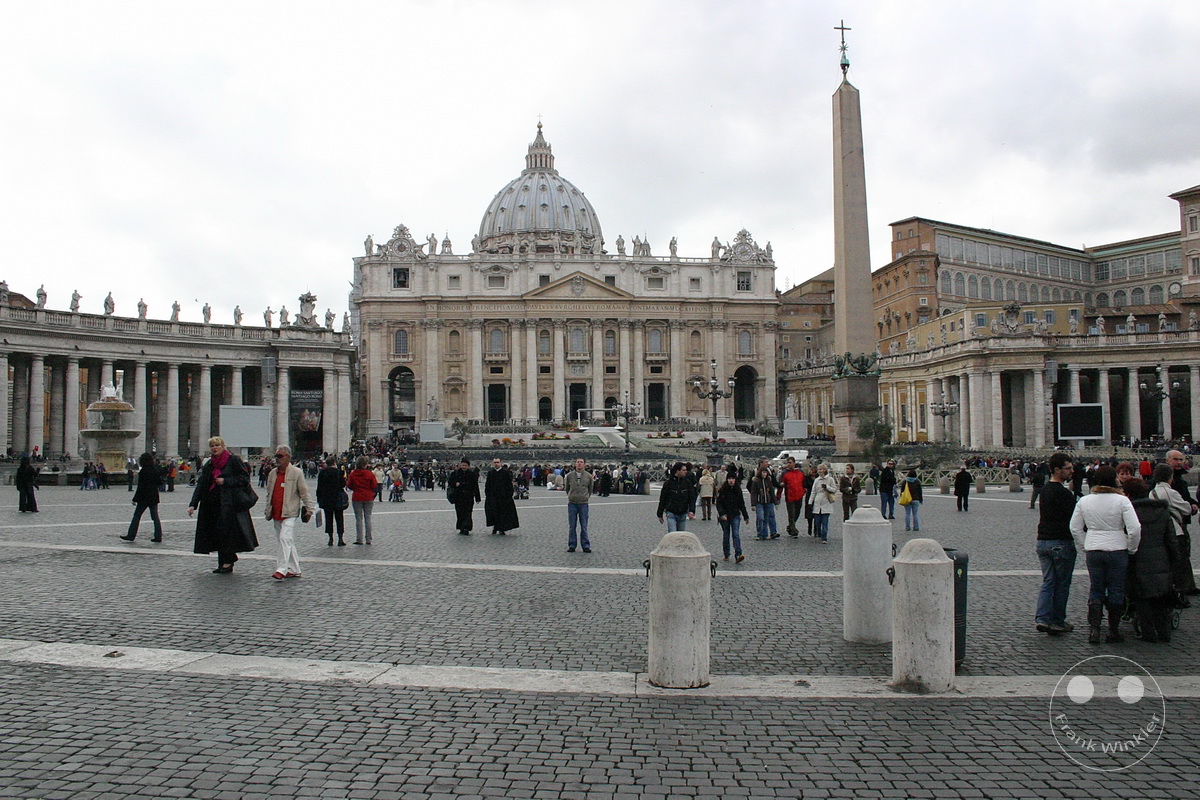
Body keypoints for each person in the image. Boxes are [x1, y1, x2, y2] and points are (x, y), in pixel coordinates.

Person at [1069, 465, 1141, 644]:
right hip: (1117, 548)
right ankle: (1113, 631)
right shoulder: (1122, 500)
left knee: (1096, 588)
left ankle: (1094, 630)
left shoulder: (1085, 501)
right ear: (1114, 480)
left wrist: (1085, 544)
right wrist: (1132, 548)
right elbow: (1134, 528)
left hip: (1094, 548)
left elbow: (1074, 528)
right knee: (1116, 589)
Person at [187, 437, 258, 574]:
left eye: (217, 445)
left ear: (223, 446)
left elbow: (243, 479)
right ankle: (224, 562)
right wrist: (193, 504)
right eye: (212, 445)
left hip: (229, 504)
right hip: (212, 505)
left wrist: (225, 481)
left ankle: (228, 561)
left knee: (227, 533)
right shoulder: (209, 464)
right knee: (218, 534)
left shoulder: (233, 460)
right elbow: (201, 485)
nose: (215, 448)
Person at [1124, 478, 1181, 642]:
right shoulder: (1162, 511)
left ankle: (1148, 633)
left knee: (1142, 597)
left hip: (1138, 559)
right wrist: (1174, 560)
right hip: (1161, 558)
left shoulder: (1130, 512)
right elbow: (1171, 539)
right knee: (1160, 597)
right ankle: (1164, 632)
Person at [1035, 452, 1077, 636]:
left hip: (1042, 542)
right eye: (1068, 468)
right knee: (1061, 584)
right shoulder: (1064, 493)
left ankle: (1043, 618)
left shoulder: (1045, 490)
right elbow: (1073, 520)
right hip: (1060, 542)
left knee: (1048, 581)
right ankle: (1058, 621)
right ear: (1057, 470)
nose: (1071, 471)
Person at [263, 445, 316, 580]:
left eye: (280, 456)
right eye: (276, 456)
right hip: (276, 511)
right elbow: (269, 493)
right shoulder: (272, 473)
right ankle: (294, 569)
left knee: (284, 538)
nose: (277, 459)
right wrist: (267, 509)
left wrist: (310, 509)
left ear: (288, 457)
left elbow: (304, 492)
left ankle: (281, 568)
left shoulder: (296, 472)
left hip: (290, 512)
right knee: (286, 541)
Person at [1165, 449, 1198, 595]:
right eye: (1176, 460)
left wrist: (1194, 504)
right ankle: (1182, 585)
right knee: (1179, 553)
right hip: (1174, 522)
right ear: (1168, 461)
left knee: (1184, 552)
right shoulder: (1168, 481)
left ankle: (1187, 585)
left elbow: (1185, 498)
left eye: (1181, 460)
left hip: (1182, 520)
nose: (1179, 463)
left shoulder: (1180, 478)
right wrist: (1190, 506)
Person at [120, 452, 163, 542]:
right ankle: (158, 536)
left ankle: (131, 535)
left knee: (137, 516)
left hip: (144, 497)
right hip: (154, 497)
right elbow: (160, 482)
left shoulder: (143, 471)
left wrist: (135, 499)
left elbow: (140, 486)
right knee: (155, 517)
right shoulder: (155, 470)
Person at [714, 467, 749, 563]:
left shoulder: (738, 490)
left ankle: (738, 554)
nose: (731, 480)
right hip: (725, 516)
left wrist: (746, 516)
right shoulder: (723, 490)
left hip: (735, 515)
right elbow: (719, 503)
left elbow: (741, 503)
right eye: (729, 478)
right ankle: (726, 553)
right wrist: (722, 514)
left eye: (733, 478)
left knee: (736, 534)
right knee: (726, 535)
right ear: (727, 479)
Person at [346, 456, 378, 544]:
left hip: (357, 496)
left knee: (358, 519)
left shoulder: (353, 473)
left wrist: (356, 488)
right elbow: (374, 485)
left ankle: (359, 539)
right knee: (368, 518)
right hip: (368, 496)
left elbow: (349, 485)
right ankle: (368, 539)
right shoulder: (370, 474)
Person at [657, 461, 698, 532]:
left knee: (681, 535)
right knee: (673, 533)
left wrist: (692, 510)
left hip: (683, 512)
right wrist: (660, 514)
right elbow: (663, 498)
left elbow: (691, 498)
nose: (686, 472)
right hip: (671, 512)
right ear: (677, 471)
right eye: (684, 470)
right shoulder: (668, 483)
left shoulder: (687, 483)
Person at [316, 456, 347, 546]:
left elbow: (319, 487)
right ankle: (340, 539)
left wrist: (319, 498)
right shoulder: (339, 472)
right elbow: (343, 484)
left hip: (326, 498)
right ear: (334, 463)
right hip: (337, 498)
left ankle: (330, 539)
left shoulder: (322, 473)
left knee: (328, 519)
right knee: (339, 518)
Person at [484, 458, 520, 535]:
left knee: (502, 514)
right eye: (495, 462)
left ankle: (501, 528)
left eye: (497, 462)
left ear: (500, 463)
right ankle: (495, 527)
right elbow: (488, 485)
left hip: (503, 497)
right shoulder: (490, 473)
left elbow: (509, 486)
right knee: (494, 513)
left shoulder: (505, 473)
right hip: (493, 497)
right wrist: (488, 495)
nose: (496, 464)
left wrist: (509, 495)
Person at [564, 458, 593, 552]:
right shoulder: (569, 476)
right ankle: (572, 545)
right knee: (572, 526)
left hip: (583, 504)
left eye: (581, 462)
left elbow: (590, 489)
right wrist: (571, 496)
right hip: (572, 503)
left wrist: (585, 497)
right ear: (575, 464)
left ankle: (585, 545)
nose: (579, 464)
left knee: (584, 525)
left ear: (584, 464)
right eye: (578, 462)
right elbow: (567, 488)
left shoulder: (589, 476)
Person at [748, 461, 781, 540]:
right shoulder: (756, 481)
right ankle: (760, 533)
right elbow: (753, 493)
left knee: (766, 518)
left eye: (765, 473)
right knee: (760, 517)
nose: (764, 474)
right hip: (759, 502)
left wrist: (775, 502)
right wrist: (753, 504)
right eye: (763, 472)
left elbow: (772, 492)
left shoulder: (768, 481)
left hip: (768, 502)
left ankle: (764, 534)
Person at [447, 458, 480, 535]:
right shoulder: (455, 474)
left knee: (468, 512)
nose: (464, 467)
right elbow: (450, 483)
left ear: (468, 466)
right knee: (460, 512)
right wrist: (455, 484)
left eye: (465, 465)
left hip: (469, 496)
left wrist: (477, 497)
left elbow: (475, 486)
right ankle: (461, 527)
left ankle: (466, 527)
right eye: (462, 465)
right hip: (458, 496)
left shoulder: (472, 475)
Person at [810, 464, 838, 543]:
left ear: (825, 470)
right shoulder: (816, 480)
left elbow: (834, 489)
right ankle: (819, 533)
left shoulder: (830, 479)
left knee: (825, 522)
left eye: (821, 469)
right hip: (817, 502)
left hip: (826, 503)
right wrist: (810, 502)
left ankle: (824, 537)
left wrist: (827, 487)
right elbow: (813, 492)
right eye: (818, 469)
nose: (819, 471)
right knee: (817, 522)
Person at [779, 457, 807, 535]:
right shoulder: (784, 473)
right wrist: (778, 496)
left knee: (797, 513)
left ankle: (790, 526)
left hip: (799, 495)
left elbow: (804, 483)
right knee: (791, 513)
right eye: (788, 462)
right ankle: (793, 530)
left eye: (790, 462)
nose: (789, 464)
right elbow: (780, 484)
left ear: (794, 463)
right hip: (790, 496)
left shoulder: (800, 472)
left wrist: (803, 490)